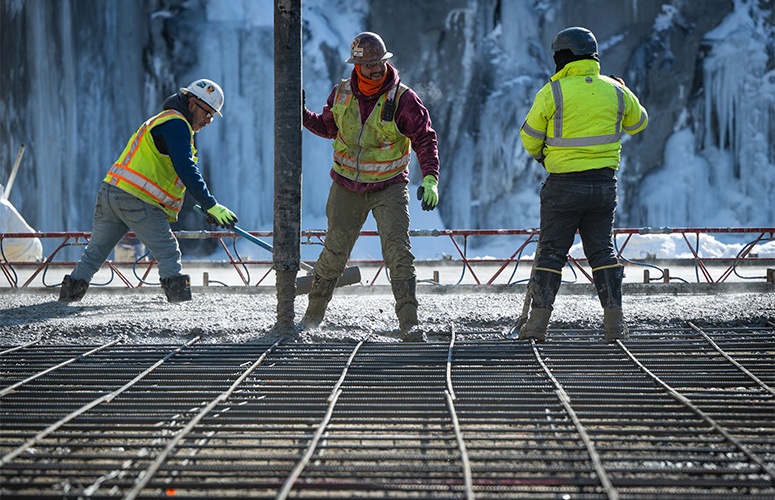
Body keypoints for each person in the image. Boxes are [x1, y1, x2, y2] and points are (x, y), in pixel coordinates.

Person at [302, 32, 441, 341]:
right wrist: (302, 116)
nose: (377, 69)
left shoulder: (403, 99)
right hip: (347, 187)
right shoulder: (340, 94)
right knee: (334, 252)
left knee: (398, 252)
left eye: (380, 63)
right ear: (357, 66)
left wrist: (430, 177)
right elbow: (328, 127)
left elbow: (424, 138)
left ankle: (409, 322)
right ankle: (311, 319)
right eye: (370, 65)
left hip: (388, 187)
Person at [517, 27, 648, 342]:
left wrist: (542, 157)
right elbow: (639, 122)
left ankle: (535, 328)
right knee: (602, 251)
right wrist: (622, 90)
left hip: (563, 186)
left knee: (551, 253)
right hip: (603, 186)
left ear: (562, 57)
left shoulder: (554, 91)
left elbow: (529, 137)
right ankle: (615, 325)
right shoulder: (615, 89)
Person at [59, 79, 238, 303]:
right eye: (208, 113)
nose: (209, 120)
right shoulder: (176, 124)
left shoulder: (163, 121)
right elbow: (185, 167)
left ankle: (65, 302)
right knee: (168, 252)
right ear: (192, 105)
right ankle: (179, 308)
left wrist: (206, 207)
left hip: (110, 193)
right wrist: (211, 204)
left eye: (212, 116)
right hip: (137, 199)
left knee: (94, 254)